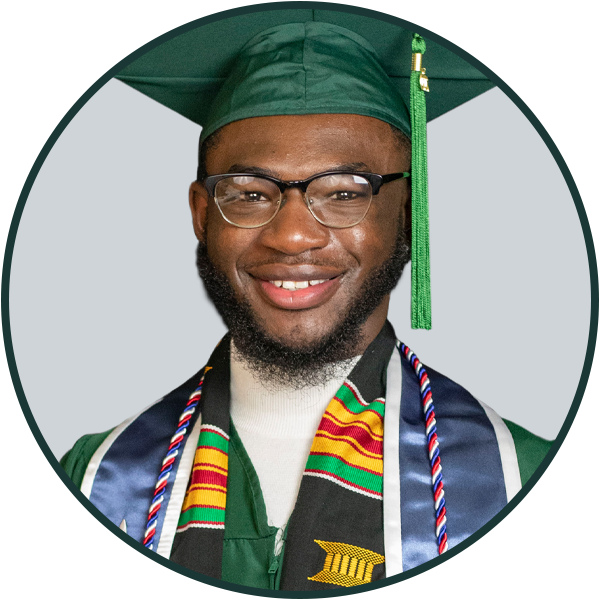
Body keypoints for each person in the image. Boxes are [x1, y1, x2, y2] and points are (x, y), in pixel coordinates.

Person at [60, 15, 553, 590]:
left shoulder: (514, 477)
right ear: (200, 214)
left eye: (344, 193)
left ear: (409, 216)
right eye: (248, 194)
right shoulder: (97, 478)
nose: (292, 235)